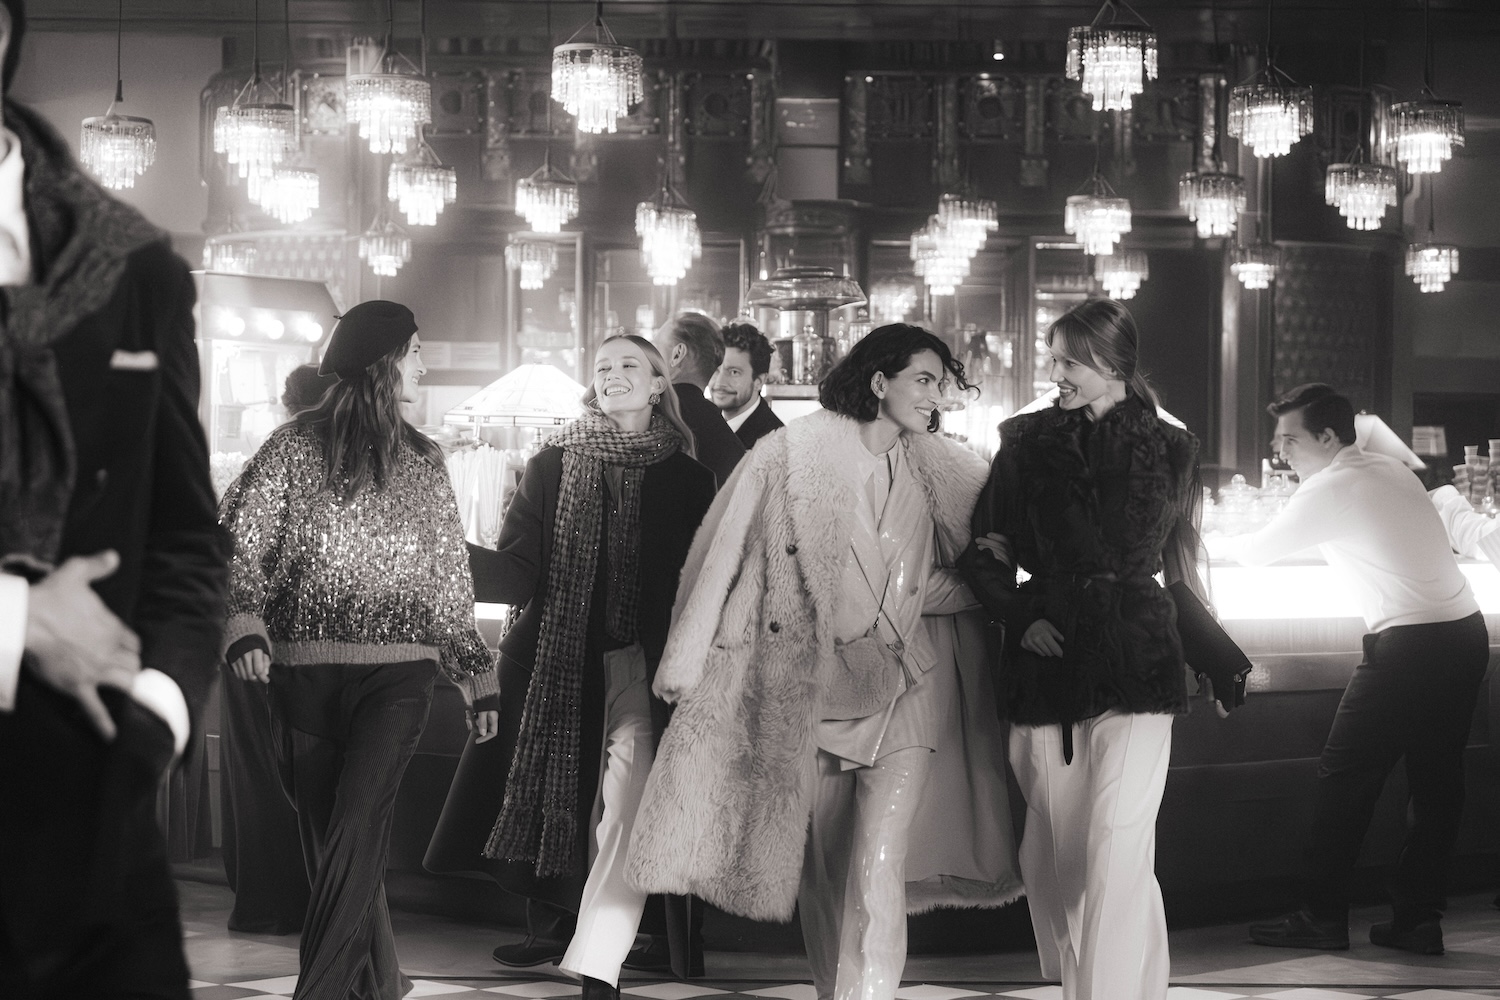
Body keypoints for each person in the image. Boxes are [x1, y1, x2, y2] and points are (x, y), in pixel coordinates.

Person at [627, 324, 1020, 1000]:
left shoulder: (945, 473)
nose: (937, 396)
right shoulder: (790, 456)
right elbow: (721, 556)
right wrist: (686, 658)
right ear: (880, 381)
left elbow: (961, 579)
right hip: (811, 684)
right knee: (825, 869)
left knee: (877, 861)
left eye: (941, 383)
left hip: (910, 683)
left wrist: (966, 588)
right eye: (924, 380)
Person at [0, 0, 230, 991]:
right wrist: (17, 622)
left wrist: (158, 713)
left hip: (94, 827)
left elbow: (185, 529)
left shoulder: (135, 263)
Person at [219, 301, 500, 1000]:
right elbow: (236, 541)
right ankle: (382, 985)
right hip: (301, 674)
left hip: (400, 677)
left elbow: (446, 577)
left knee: (355, 823)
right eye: (415, 351)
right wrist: (245, 623)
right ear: (382, 361)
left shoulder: (425, 462)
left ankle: (318, 992)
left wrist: (474, 674)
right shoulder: (290, 449)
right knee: (336, 843)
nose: (424, 367)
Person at [427, 335, 716, 1000]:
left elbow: (704, 584)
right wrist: (438, 550)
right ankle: (586, 951)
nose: (613, 374)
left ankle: (597, 967)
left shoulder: (690, 479)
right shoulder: (551, 464)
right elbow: (517, 570)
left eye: (629, 365)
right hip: (558, 671)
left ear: (657, 385)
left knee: (624, 817)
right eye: (603, 366)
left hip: (648, 672)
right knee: (586, 816)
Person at [960, 299, 1204, 1000]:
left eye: (1069, 360)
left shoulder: (1173, 446)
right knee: (1059, 854)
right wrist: (1019, 613)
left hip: (1140, 658)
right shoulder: (1025, 442)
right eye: (1054, 358)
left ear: (1112, 362)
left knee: (1117, 840)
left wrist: (1216, 650)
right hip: (1048, 661)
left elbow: (1178, 561)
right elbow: (984, 550)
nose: (1055, 373)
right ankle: (1100, 983)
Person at [1216, 383, 1486, 957]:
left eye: (1289, 439)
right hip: (1463, 635)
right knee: (1437, 785)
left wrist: (1206, 537)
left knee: (1345, 780)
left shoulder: (1331, 485)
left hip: (1410, 645)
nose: (1279, 450)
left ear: (1327, 437)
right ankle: (1417, 920)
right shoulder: (1388, 467)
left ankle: (1320, 916)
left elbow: (1256, 552)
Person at [218, 364, 332, 935]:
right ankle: (285, 901)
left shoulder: (275, 457)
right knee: (287, 773)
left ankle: (267, 902)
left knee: (260, 770)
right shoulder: (302, 458)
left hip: (254, 638)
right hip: (271, 640)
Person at [655, 311, 745, 485]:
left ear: (677, 354)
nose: (647, 357)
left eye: (654, 347)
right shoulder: (730, 442)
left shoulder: (646, 416)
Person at [710, 321, 783, 450]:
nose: (719, 382)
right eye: (715, 370)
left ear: (759, 381)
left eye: (734, 372)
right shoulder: (702, 424)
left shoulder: (775, 443)